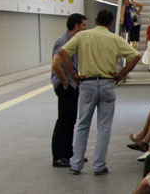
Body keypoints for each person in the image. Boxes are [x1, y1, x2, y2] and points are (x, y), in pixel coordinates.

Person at [52, 9, 141, 175]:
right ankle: (99, 165)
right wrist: (121, 74)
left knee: (82, 125)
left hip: (87, 84)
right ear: (110, 23)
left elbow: (63, 53)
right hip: (108, 84)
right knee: (104, 127)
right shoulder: (115, 38)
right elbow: (136, 56)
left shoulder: (82, 36)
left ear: (95, 20)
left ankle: (76, 164)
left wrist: (73, 74)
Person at [50, 13, 87, 168]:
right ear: (76, 26)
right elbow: (55, 65)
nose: (85, 28)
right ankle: (58, 156)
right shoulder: (63, 42)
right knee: (63, 120)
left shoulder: (74, 41)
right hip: (65, 87)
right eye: (84, 25)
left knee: (71, 120)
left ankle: (68, 153)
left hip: (72, 86)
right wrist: (65, 82)